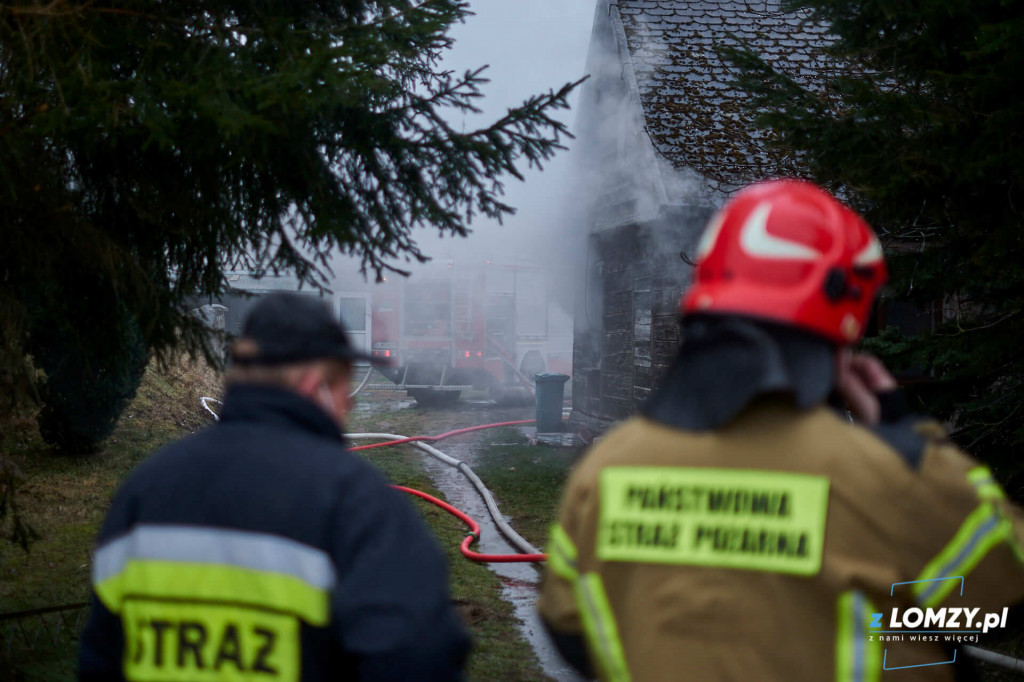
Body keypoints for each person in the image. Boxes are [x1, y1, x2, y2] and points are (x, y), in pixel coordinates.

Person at [538, 179, 1024, 681]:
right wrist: (911, 443)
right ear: (843, 319)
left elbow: (570, 630)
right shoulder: (896, 478)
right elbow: (1002, 602)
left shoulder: (607, 467)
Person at [79, 292, 470, 681]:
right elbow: (418, 660)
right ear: (312, 385)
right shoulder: (359, 507)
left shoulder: (144, 491)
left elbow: (100, 659)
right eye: (342, 385)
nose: (348, 405)